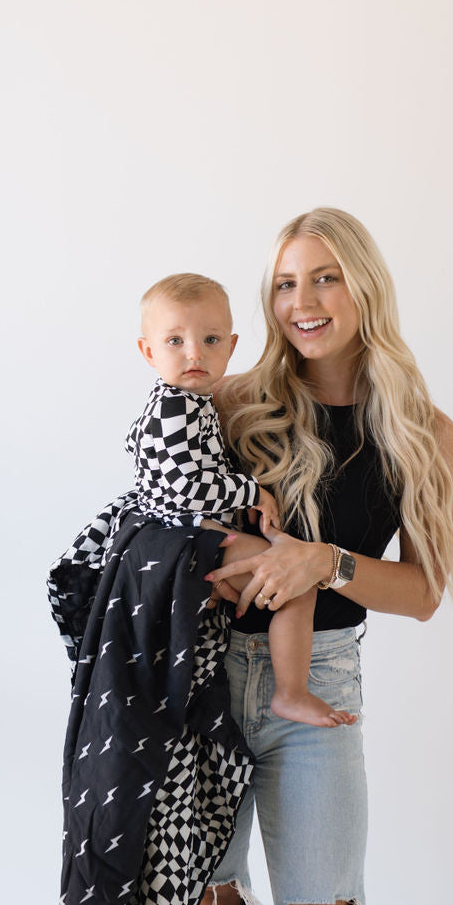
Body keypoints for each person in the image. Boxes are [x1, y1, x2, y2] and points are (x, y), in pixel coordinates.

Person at [162, 208, 453, 905]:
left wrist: (324, 559)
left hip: (317, 691)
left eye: (325, 277)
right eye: (286, 280)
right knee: (206, 895)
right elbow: (174, 517)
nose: (301, 300)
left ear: (363, 290)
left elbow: (423, 592)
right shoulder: (241, 405)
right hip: (210, 677)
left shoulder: (420, 430)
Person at [132, 273, 357, 728]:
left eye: (210, 339)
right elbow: (185, 488)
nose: (194, 353)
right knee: (296, 581)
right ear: (149, 352)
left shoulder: (194, 402)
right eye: (175, 341)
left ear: (231, 347)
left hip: (192, 533)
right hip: (188, 533)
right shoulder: (175, 407)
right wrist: (251, 490)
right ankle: (291, 692)